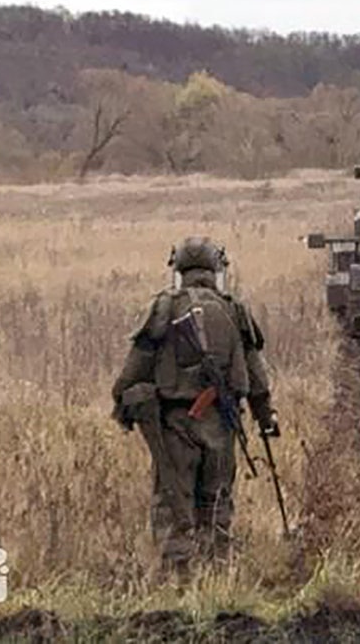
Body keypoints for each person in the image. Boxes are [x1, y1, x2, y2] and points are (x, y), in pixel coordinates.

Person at [110, 237, 278, 575]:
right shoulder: (234, 309)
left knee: (174, 504)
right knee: (216, 503)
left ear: (178, 271)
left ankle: (178, 580)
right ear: (216, 271)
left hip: (176, 425)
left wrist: (122, 404)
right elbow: (256, 377)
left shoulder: (165, 307)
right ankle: (217, 576)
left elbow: (134, 369)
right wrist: (266, 416)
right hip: (223, 425)